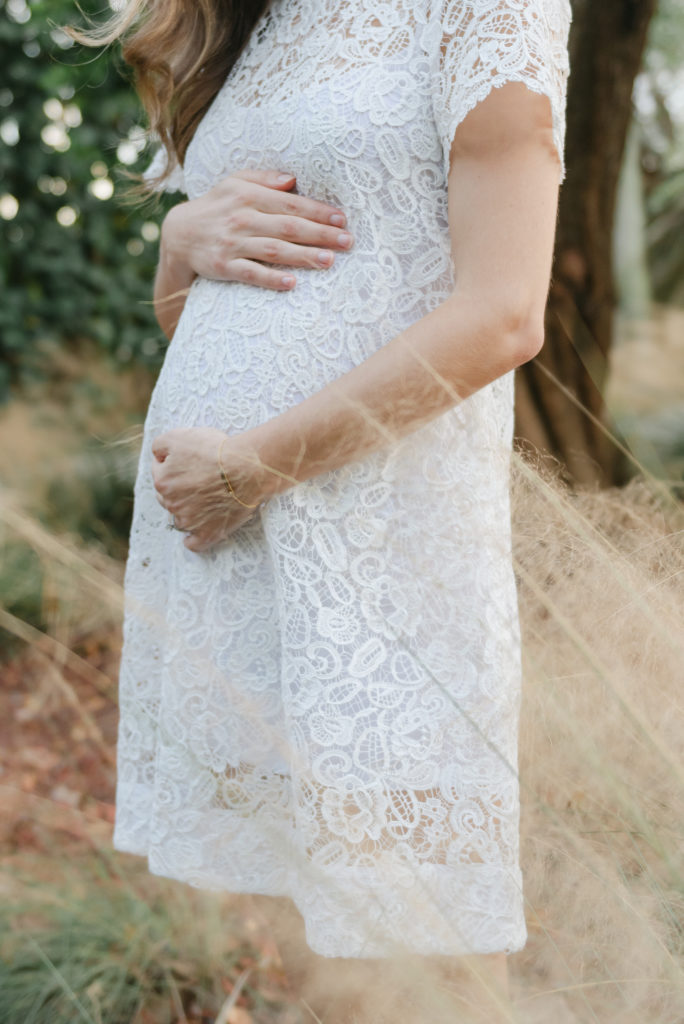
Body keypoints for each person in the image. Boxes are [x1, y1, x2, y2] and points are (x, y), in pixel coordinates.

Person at [71, 0, 571, 1020]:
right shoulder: (256, 19)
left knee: (429, 938)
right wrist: (180, 242)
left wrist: (254, 465)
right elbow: (211, 311)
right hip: (241, 555)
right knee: (316, 939)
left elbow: (507, 310)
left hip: (379, 553)